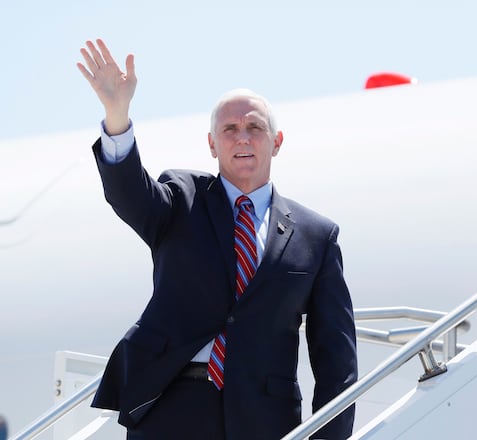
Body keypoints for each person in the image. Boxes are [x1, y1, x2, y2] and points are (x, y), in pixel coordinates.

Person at [77, 39, 357, 440]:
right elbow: (130, 195)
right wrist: (117, 116)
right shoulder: (181, 199)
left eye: (255, 128)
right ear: (212, 144)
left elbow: (336, 358)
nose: (242, 137)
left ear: (276, 142)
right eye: (229, 129)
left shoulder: (317, 236)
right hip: (171, 410)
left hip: (265, 421)